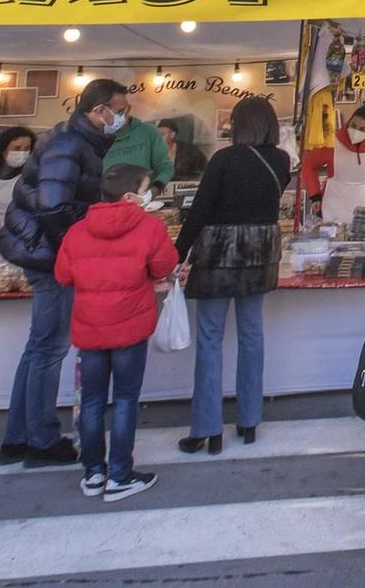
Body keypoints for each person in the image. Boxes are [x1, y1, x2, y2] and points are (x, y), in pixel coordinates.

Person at [0, 77, 132, 467]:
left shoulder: (76, 142)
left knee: (39, 346)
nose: (122, 118)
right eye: (119, 111)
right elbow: (54, 208)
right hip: (47, 253)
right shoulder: (68, 145)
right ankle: (41, 440)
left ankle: (18, 436)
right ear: (98, 110)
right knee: (49, 347)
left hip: (40, 248)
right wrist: (91, 232)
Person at [55, 163, 178, 502]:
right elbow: (165, 266)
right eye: (145, 189)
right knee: (125, 400)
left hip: (89, 327)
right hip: (129, 325)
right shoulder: (149, 228)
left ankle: (94, 472)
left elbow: (63, 274)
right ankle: (120, 474)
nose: (148, 195)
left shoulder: (77, 231)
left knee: (92, 401)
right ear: (129, 196)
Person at [177, 95, 290, 452]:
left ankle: (208, 427)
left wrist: (176, 253)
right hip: (260, 254)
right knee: (252, 335)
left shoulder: (223, 160)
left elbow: (200, 211)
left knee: (210, 338)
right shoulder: (282, 160)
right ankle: (250, 420)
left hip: (219, 255)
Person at [303, 103, 365, 225]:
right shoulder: (332, 143)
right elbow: (308, 165)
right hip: (334, 203)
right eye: (354, 126)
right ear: (349, 121)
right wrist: (315, 196)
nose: (356, 131)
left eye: (362, 129)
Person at [104, 112, 175, 193]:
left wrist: (155, 190)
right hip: (103, 202)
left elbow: (165, 168)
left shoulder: (148, 132)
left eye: (122, 110)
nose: (120, 115)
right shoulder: (93, 138)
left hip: (141, 200)